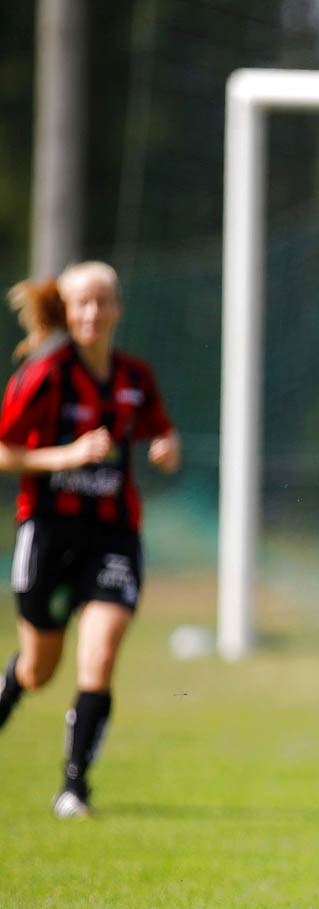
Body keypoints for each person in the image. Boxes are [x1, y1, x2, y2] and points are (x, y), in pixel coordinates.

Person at [0, 261, 180, 818]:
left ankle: (74, 788)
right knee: (37, 670)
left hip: (113, 536)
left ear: (117, 309)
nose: (93, 312)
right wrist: (69, 456)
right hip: (50, 533)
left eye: (103, 301)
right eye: (82, 303)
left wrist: (166, 446)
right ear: (67, 311)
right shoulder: (44, 374)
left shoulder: (134, 377)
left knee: (98, 656)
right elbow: (5, 452)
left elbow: (159, 428)